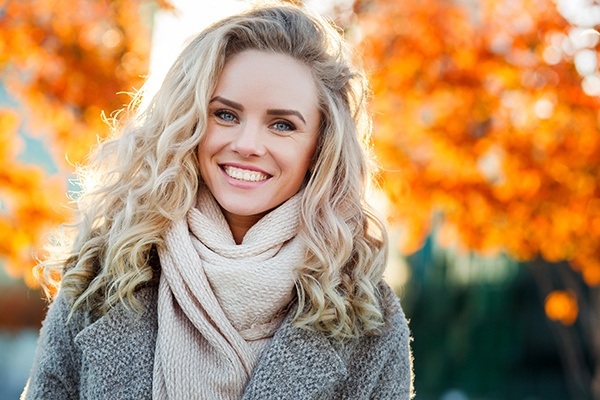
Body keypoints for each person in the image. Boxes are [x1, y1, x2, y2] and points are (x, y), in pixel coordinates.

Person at [22, 2, 413, 399]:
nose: (246, 145)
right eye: (225, 115)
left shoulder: (367, 314)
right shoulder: (104, 274)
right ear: (190, 120)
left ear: (320, 146)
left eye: (282, 125)